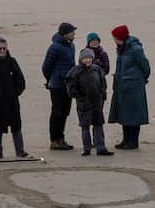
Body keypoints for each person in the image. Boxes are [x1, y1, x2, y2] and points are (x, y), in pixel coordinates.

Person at [109, 24, 151, 149]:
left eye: (114, 37)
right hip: (122, 86)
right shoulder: (121, 48)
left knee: (134, 114)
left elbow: (145, 66)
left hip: (134, 86)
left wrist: (140, 79)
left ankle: (133, 141)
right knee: (124, 114)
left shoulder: (135, 49)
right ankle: (126, 139)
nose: (113, 39)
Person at [67, 48, 111, 156]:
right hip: (83, 103)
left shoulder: (97, 69)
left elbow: (102, 83)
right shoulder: (75, 71)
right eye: (85, 58)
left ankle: (101, 147)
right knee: (85, 126)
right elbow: (71, 87)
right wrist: (79, 96)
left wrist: (102, 94)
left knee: (98, 125)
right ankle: (86, 148)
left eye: (89, 58)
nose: (87, 60)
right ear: (81, 59)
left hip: (96, 102)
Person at [41, 22, 77, 150]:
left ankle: (61, 139)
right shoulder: (54, 47)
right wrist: (50, 80)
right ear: (65, 34)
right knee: (57, 112)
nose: (74, 34)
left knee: (65, 112)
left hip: (68, 85)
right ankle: (54, 140)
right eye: (72, 32)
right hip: (56, 86)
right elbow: (46, 67)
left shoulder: (71, 46)